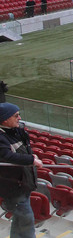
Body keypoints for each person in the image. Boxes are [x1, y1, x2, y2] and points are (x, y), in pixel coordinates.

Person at [0, 102, 43, 238]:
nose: (19, 118)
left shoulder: (16, 131)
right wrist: (31, 160)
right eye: (16, 115)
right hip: (13, 186)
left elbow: (25, 148)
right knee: (27, 219)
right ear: (5, 119)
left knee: (20, 220)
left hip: (23, 184)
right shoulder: (1, 137)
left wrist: (31, 155)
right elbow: (7, 156)